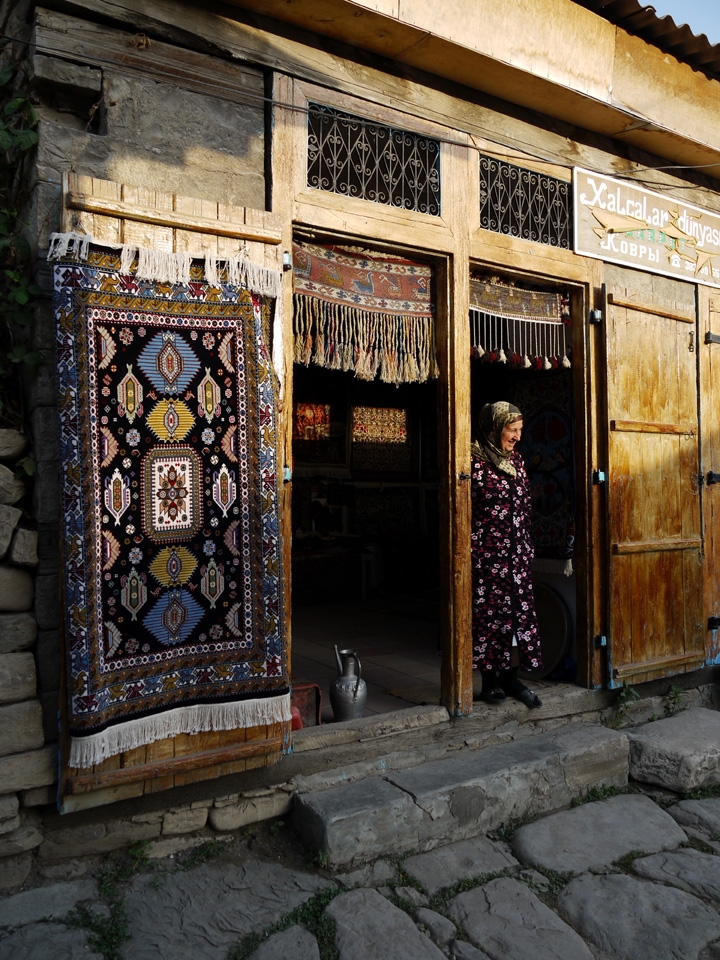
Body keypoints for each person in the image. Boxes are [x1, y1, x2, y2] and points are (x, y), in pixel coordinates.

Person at [471, 401, 543, 708]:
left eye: (519, 430)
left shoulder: (518, 461)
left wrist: (526, 547)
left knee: (517, 618)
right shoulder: (472, 462)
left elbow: (525, 508)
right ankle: (490, 680)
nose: (516, 437)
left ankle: (511, 677)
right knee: (490, 618)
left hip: (517, 556)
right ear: (495, 428)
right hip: (488, 557)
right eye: (511, 430)